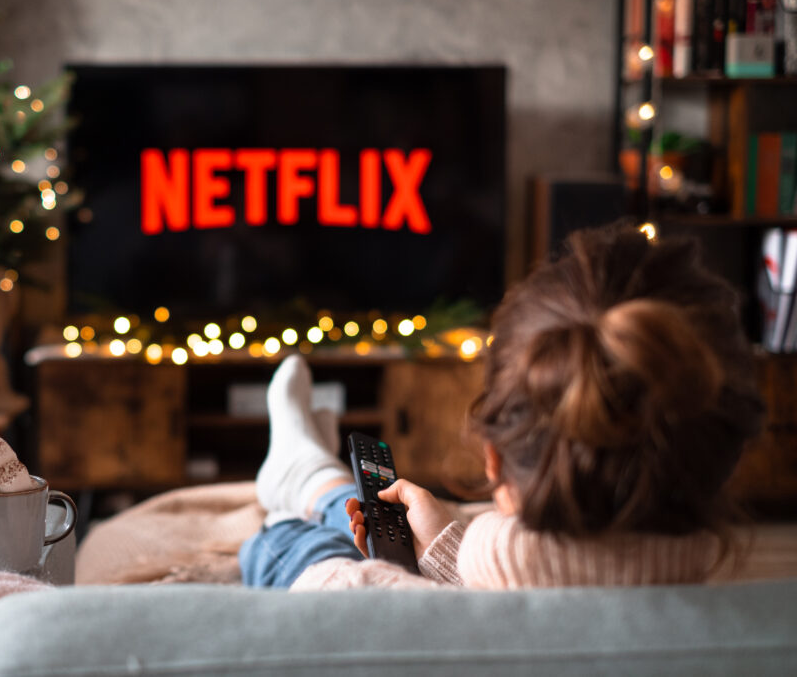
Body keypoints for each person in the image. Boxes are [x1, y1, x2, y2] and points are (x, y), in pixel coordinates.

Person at [240, 223, 764, 590]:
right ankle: (309, 470)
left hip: (337, 576)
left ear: (493, 460)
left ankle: (305, 474)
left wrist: (432, 559)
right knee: (373, 517)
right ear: (727, 458)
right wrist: (446, 547)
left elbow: (364, 591)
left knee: (293, 541)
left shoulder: (379, 602)